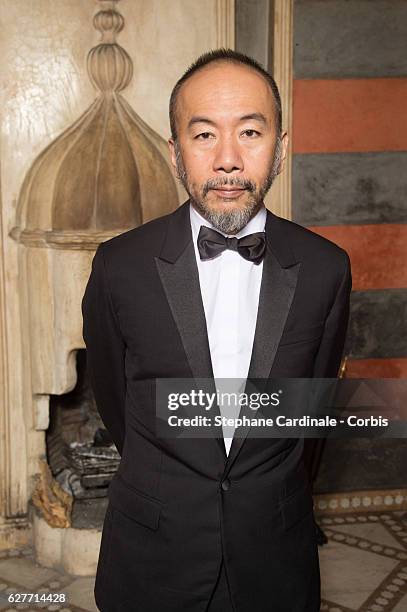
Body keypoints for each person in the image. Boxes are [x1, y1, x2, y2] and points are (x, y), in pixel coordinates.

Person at [82, 48, 352, 612]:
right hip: (154, 555)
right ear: (175, 152)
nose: (228, 160)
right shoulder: (118, 266)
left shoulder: (327, 268)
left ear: (280, 147)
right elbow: (115, 398)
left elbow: (313, 412)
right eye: (204, 135)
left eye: (250, 132)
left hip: (274, 557)